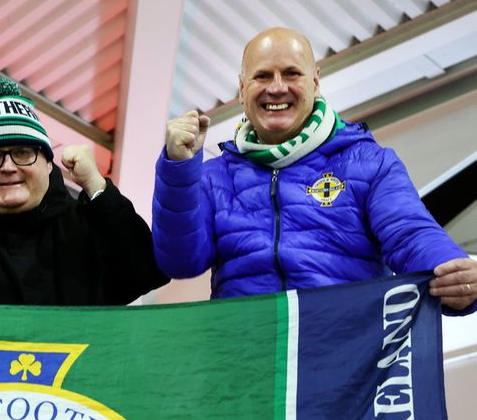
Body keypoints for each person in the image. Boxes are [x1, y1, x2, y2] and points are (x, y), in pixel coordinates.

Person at [152, 26, 477, 312]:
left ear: (315, 82)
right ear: (241, 89)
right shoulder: (214, 176)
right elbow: (180, 261)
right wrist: (178, 169)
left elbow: (409, 233)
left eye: (291, 73)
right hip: (246, 362)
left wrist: (452, 271)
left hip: (342, 358)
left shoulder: (367, 162)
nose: (276, 87)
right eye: (262, 76)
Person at [0, 77, 167, 314]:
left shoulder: (88, 227)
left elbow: (145, 268)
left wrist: (96, 185)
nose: (9, 167)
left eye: (23, 152)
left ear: (49, 164)